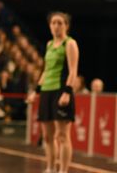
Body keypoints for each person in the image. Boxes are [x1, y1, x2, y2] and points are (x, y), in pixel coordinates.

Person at [26, 12, 79, 173]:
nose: (56, 26)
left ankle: (63, 170)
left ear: (66, 26)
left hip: (60, 91)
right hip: (47, 92)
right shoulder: (49, 45)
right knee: (47, 137)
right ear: (49, 26)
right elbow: (46, 71)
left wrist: (67, 92)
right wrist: (35, 92)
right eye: (53, 23)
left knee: (62, 136)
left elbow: (73, 71)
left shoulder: (69, 44)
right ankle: (50, 168)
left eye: (60, 23)